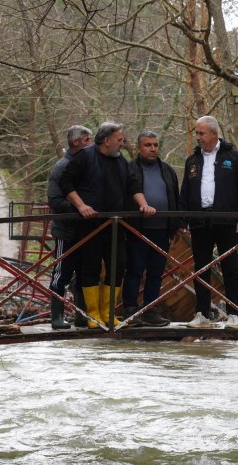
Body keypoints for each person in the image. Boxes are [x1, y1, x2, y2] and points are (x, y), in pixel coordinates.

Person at [59, 121, 152, 328]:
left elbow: (132, 185)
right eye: (119, 139)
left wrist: (144, 205)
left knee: (118, 267)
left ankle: (109, 314)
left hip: (116, 225)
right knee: (90, 268)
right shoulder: (85, 156)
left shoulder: (120, 160)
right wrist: (81, 205)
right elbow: (66, 182)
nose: (123, 143)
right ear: (107, 140)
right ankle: (93, 315)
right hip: (90, 225)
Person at [179, 115, 238, 329]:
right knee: (201, 268)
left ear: (214, 134)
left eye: (201, 133)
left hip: (226, 220)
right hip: (200, 221)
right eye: (197, 133)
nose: (198, 137)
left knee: (230, 268)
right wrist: (183, 218)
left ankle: (234, 315)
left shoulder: (234, 157)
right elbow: (185, 191)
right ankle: (202, 314)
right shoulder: (192, 160)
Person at [122, 130, 181, 327]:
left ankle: (150, 309)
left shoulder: (167, 170)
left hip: (162, 229)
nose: (153, 149)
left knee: (156, 272)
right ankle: (130, 309)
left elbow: (175, 198)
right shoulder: (130, 169)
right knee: (134, 270)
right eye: (148, 145)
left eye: (155, 145)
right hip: (137, 229)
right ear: (139, 147)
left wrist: (177, 224)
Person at [45, 125, 92, 329]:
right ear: (76, 142)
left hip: (86, 230)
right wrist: (79, 208)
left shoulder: (86, 165)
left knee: (84, 273)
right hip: (66, 230)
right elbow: (54, 200)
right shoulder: (62, 166)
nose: (91, 144)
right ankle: (56, 317)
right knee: (61, 273)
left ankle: (81, 315)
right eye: (87, 140)